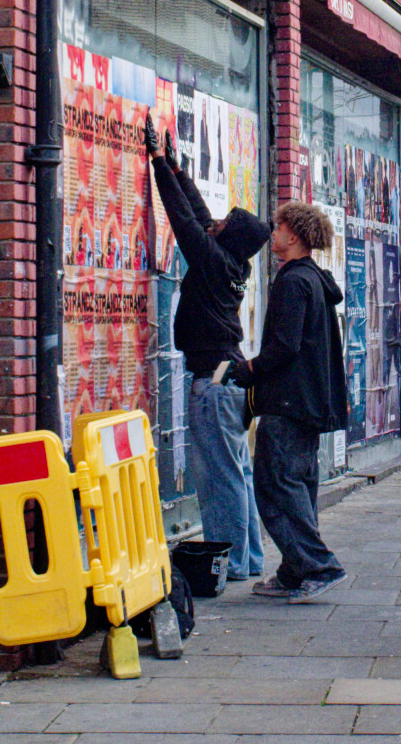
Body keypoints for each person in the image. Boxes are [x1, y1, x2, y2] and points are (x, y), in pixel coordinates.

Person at [146, 115, 272, 586]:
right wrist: (178, 170)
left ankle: (233, 563)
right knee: (237, 473)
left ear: (228, 236)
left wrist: (159, 163)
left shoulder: (213, 260)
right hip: (229, 379)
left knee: (220, 478)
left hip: (214, 384)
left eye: (223, 224)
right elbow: (199, 217)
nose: (214, 223)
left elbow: (184, 221)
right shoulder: (231, 263)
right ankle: (250, 558)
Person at [234, 201, 348, 603]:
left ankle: (318, 566)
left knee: (275, 486)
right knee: (297, 486)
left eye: (278, 226)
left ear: (293, 235)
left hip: (288, 401)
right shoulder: (314, 279)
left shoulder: (293, 282)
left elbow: (285, 344)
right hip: (309, 402)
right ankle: (294, 570)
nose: (273, 233)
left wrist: (249, 368)